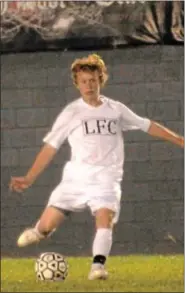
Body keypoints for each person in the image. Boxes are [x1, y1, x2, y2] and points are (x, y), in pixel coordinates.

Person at [9, 54, 184, 280]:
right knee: (45, 227)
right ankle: (38, 231)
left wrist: (180, 140)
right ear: (77, 84)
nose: (89, 85)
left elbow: (147, 125)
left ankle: (97, 267)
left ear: (101, 80)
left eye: (93, 80)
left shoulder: (116, 109)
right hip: (76, 179)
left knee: (105, 218)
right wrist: (29, 177)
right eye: (83, 81)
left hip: (107, 179)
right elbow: (50, 147)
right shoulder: (71, 112)